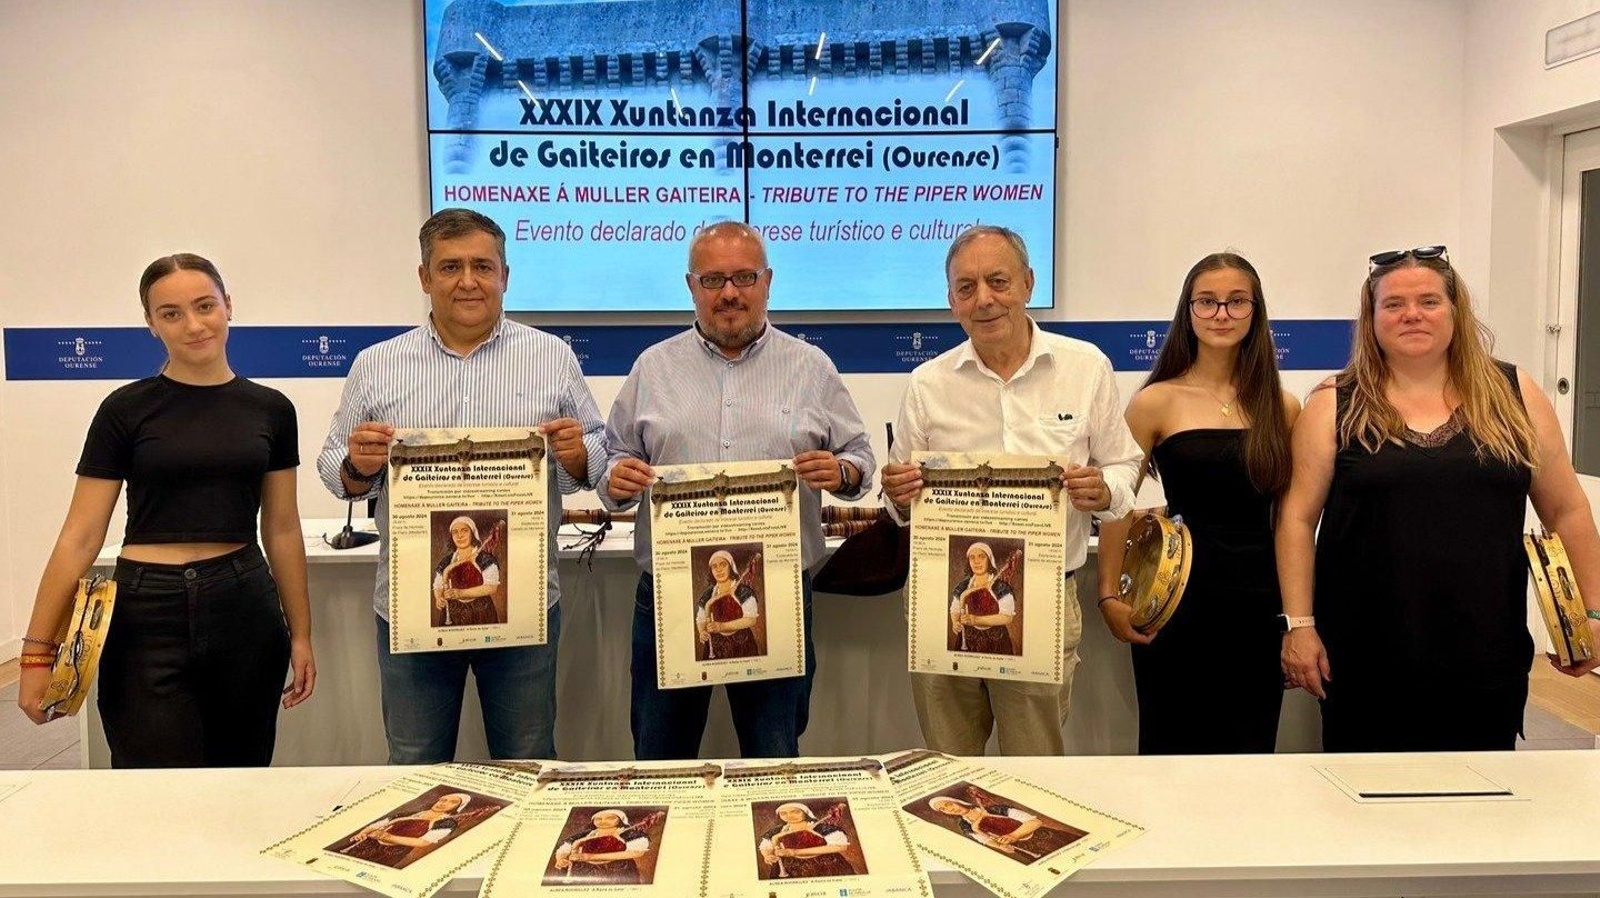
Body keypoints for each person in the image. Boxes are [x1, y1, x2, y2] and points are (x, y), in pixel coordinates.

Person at [1278, 246, 1600, 751]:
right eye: (1393, 304)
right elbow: (1296, 520)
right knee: (1366, 811)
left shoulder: (1514, 394)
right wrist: (1300, 626)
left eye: (1429, 300)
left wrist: (1593, 613)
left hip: (1485, 653)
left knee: (1479, 807)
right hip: (1366, 657)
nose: (1412, 314)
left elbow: (1567, 509)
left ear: (1456, 310)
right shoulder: (1335, 402)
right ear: (1372, 316)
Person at [318, 208, 605, 763]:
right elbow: (339, 475)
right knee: (414, 759)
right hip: (411, 605)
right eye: (450, 267)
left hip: (523, 601)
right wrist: (359, 463)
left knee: (527, 757)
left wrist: (577, 453)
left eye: (482, 266)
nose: (467, 281)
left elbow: (588, 465)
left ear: (505, 275)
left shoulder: (553, 358)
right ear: (424, 278)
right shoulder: (376, 365)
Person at [16, 254, 315, 767]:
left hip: (243, 604)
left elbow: (282, 528)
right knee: (148, 783)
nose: (194, 324)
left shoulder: (271, 408)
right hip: (143, 613)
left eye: (205, 306)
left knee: (241, 778)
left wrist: (302, 633)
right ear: (152, 325)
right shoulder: (124, 409)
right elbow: (80, 536)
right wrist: (37, 652)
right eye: (171, 313)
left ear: (228, 307)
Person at [603, 220, 875, 760]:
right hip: (671, 595)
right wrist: (618, 478)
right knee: (662, 758)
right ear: (691, 287)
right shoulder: (652, 368)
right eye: (713, 280)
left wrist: (839, 473)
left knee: (773, 756)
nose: (729, 292)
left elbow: (861, 459)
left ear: (767, 281)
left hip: (775, 590)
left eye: (743, 277)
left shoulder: (811, 367)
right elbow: (614, 459)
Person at [881, 225, 1142, 756]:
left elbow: (1125, 466)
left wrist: (1103, 490)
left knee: (1036, 765)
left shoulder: (1085, 367)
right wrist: (899, 493)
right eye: (966, 287)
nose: (984, 299)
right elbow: (898, 497)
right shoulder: (928, 384)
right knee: (948, 764)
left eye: (998, 281)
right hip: (942, 601)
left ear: (1027, 281)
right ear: (951, 300)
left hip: (1045, 593)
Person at [1096, 252, 1299, 754]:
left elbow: (1292, 519)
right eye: (1207, 302)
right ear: (1188, 311)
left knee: (1251, 751)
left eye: (1235, 302)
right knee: (1170, 749)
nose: (1221, 314)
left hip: (1259, 603)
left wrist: (1298, 618)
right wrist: (1108, 595)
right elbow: (1118, 503)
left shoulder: (1284, 404)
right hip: (1175, 601)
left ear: (1256, 311)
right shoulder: (1155, 402)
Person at [336, 792, 487, 868]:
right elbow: (379, 823)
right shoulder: (410, 813)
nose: (443, 803)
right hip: (366, 844)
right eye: (443, 799)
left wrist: (387, 836)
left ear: (457, 807)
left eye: (452, 802)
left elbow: (423, 842)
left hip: (388, 853)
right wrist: (363, 833)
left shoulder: (447, 822)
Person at [925, 796, 1079, 861]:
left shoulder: (995, 809)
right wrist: (1001, 846)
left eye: (948, 804)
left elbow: (1034, 822)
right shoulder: (965, 825)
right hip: (1027, 849)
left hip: (1048, 837)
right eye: (944, 809)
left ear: (955, 801)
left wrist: (1013, 836)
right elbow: (985, 841)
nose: (949, 809)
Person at [432, 515, 502, 626]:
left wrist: (461, 593)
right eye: (455, 532)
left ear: (472, 534)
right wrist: (439, 598)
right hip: (453, 612)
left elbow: (491, 587)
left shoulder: (485, 559)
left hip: (480, 611)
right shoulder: (447, 561)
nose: (460, 536)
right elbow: (438, 586)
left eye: (464, 531)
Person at [949, 542, 1017, 655]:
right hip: (968, 639)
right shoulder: (963, 586)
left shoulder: (1000, 587)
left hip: (996, 640)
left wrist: (975, 620)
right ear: (968, 562)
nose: (976, 561)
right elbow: (955, 610)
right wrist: (955, 622)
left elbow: (1007, 617)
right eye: (972, 557)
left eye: (981, 556)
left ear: (989, 560)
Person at [757, 802, 857, 878]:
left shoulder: (821, 828)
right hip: (790, 867)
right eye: (784, 813)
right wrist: (767, 855)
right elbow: (766, 846)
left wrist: (795, 852)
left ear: (806, 813)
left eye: (795, 812)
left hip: (824, 864)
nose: (789, 816)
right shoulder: (777, 830)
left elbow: (840, 846)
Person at [552, 809, 653, 884]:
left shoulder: (627, 833)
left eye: (610, 818)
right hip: (585, 870)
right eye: (598, 819)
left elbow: (637, 852)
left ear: (620, 820)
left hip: (618, 869)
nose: (603, 821)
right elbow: (566, 847)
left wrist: (590, 857)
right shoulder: (587, 834)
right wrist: (560, 859)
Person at [695, 550, 760, 659]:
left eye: (723, 564)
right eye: (714, 566)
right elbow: (701, 619)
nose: (719, 569)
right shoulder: (708, 594)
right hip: (716, 647)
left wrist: (722, 626)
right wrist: (702, 632)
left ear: (731, 567)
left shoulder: (743, 591)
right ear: (711, 571)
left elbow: (751, 619)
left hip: (741, 644)